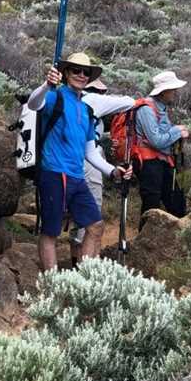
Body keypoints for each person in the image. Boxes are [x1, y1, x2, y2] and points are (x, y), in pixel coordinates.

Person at [26, 52, 131, 272]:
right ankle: (53, 284)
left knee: (96, 226)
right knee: (51, 232)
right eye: (76, 70)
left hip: (76, 177)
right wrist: (46, 85)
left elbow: (90, 153)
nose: (81, 75)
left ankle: (82, 281)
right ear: (65, 73)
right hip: (53, 173)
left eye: (86, 72)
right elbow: (34, 104)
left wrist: (113, 172)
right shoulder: (56, 96)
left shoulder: (85, 109)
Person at [68, 77, 134, 268]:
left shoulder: (77, 104)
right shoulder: (92, 100)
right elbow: (129, 102)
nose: (103, 95)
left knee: (77, 216)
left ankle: (75, 261)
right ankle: (86, 268)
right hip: (88, 163)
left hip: (74, 160)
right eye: (101, 91)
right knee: (92, 213)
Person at [134, 70, 191, 223]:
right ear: (163, 91)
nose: (175, 92)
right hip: (148, 163)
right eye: (173, 89)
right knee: (151, 205)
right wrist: (177, 131)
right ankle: (144, 241)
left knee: (176, 202)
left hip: (163, 161)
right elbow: (157, 141)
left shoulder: (161, 108)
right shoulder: (146, 109)